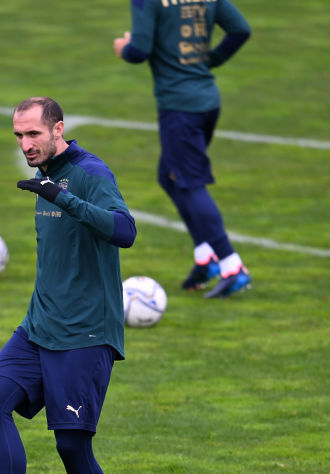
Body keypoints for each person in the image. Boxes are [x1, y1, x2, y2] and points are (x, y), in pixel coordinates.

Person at [0, 97, 137, 474]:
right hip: (40, 326)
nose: (25, 145)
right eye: (18, 137)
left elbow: (125, 231)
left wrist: (63, 197)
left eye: (33, 135)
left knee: (71, 447)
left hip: (84, 334)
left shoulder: (89, 174)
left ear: (58, 128)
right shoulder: (43, 177)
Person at [113, 0, 252, 298]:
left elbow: (139, 50)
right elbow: (240, 30)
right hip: (207, 103)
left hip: (179, 108)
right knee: (168, 176)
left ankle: (231, 264)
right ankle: (206, 256)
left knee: (189, 184)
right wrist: (209, 61)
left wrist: (123, 47)